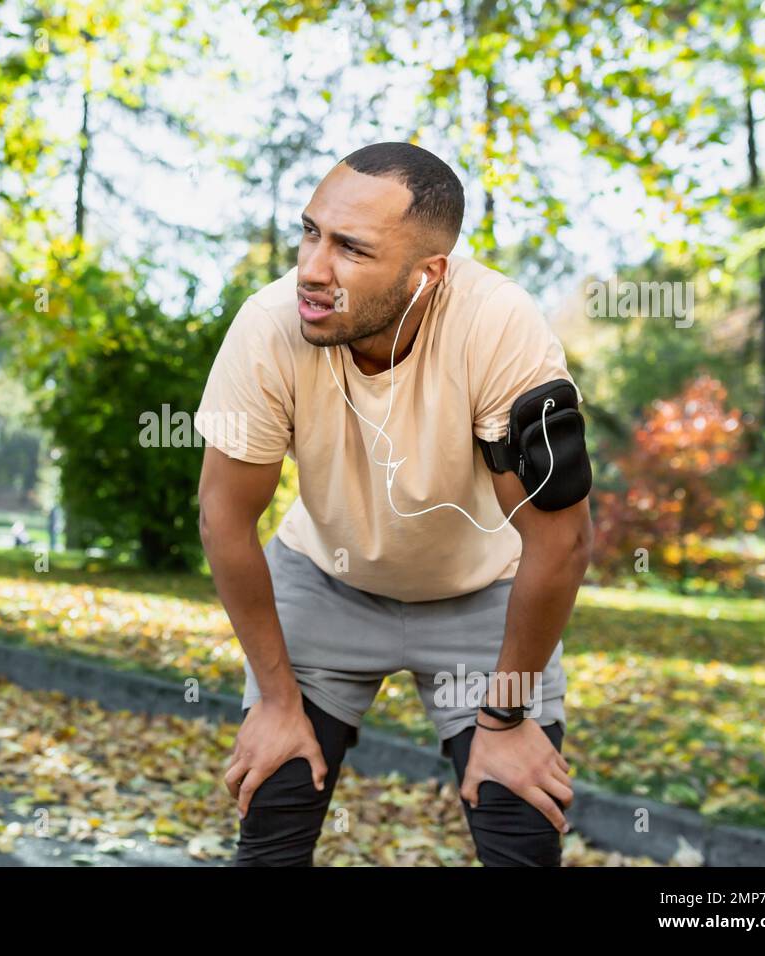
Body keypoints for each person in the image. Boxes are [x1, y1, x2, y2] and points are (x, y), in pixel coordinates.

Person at [194, 142, 593, 867]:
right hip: (325, 585)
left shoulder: (498, 326)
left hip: (482, 597)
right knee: (271, 833)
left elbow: (560, 543)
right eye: (310, 231)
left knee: (523, 837)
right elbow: (223, 521)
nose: (312, 269)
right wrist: (279, 703)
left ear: (427, 275)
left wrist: (504, 717)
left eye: (350, 248)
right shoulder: (270, 324)